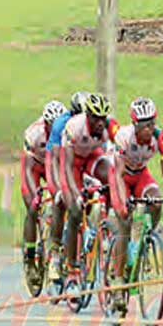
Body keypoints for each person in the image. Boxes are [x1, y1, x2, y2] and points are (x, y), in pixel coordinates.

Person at [107, 97, 163, 304]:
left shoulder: (162, 140)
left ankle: (145, 241)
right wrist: (125, 202)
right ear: (135, 124)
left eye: (152, 123)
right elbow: (119, 175)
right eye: (144, 125)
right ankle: (118, 280)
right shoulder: (123, 136)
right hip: (121, 176)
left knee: (156, 201)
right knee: (124, 218)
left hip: (141, 175)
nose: (149, 129)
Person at [56, 93, 122, 287]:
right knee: (75, 211)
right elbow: (67, 166)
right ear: (87, 116)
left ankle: (105, 221)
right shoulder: (73, 127)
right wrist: (75, 194)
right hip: (73, 163)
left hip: (93, 156)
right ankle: (71, 269)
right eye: (95, 118)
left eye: (103, 118)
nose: (100, 122)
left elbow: (117, 156)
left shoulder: (111, 127)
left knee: (111, 177)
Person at [21, 100, 67, 277]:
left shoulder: (66, 132)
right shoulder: (34, 133)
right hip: (33, 166)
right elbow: (27, 168)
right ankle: (30, 258)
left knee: (61, 201)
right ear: (46, 123)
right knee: (32, 208)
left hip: (53, 165)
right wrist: (36, 195)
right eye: (52, 125)